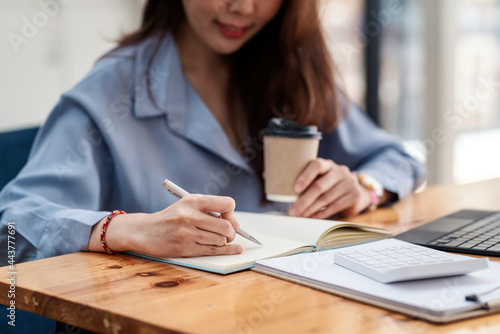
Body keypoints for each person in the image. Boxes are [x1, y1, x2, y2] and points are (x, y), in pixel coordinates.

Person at [0, 0, 425, 265]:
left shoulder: (291, 73)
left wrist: (364, 188)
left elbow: (399, 159)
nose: (242, 6)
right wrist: (128, 230)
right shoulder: (109, 92)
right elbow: (12, 227)